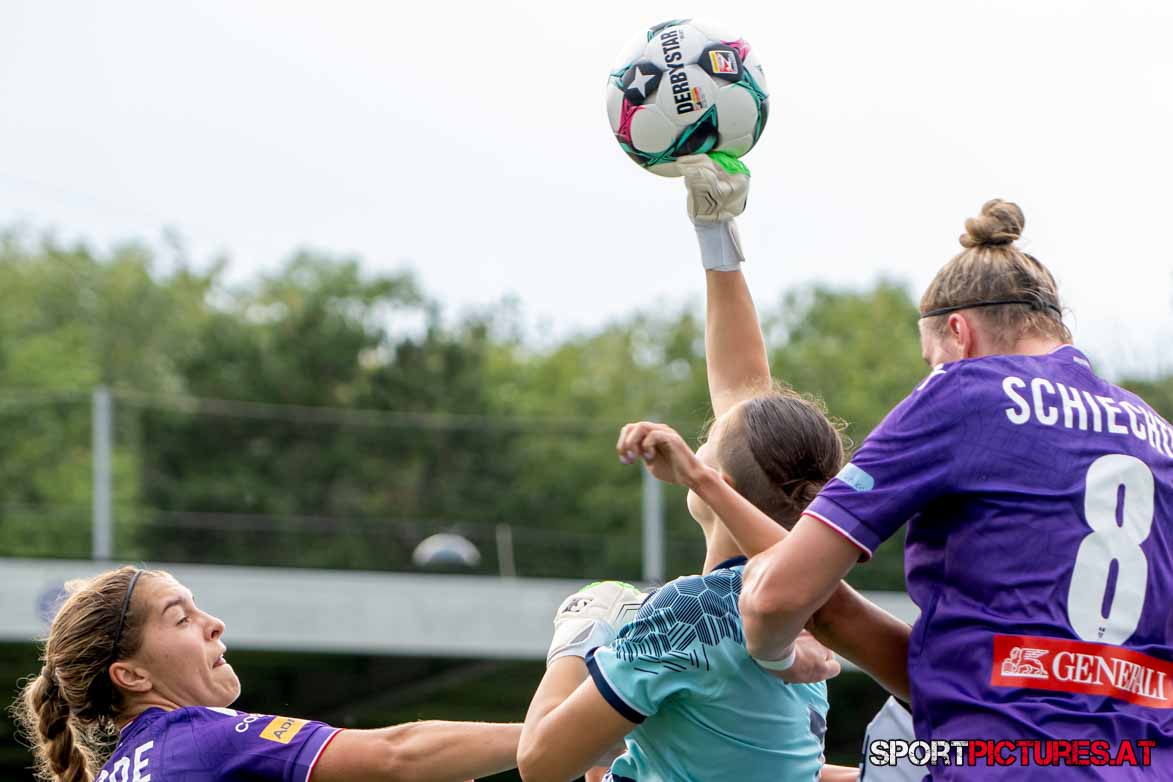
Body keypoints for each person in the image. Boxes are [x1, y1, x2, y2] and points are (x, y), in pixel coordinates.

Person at [637, 198, 1173, 778]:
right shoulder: (1158, 435)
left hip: (1000, 764)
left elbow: (777, 599)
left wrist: (776, 652)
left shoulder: (967, 391)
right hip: (1142, 764)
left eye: (930, 359)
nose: (930, 374)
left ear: (958, 334)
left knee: (890, 741)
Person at [517, 153, 862, 782]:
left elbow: (540, 762)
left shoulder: (688, 614)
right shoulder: (812, 612)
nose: (708, 428)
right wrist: (717, 236)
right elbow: (743, 394)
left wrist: (581, 636)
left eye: (708, 438)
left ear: (719, 487)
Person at [12, 565, 523, 781]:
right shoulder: (198, 737)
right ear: (132, 676)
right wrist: (552, 733)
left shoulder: (119, 771)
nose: (214, 623)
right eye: (181, 618)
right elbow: (398, 754)